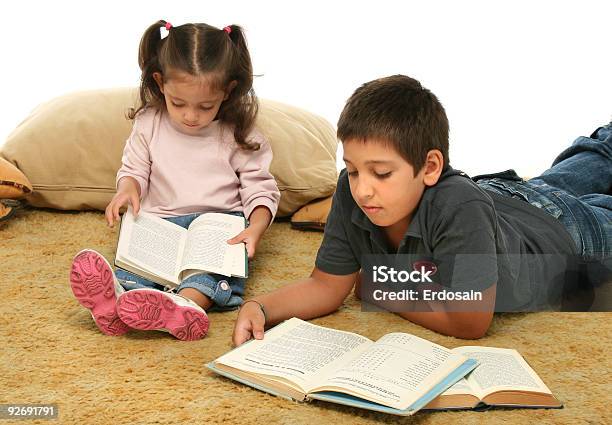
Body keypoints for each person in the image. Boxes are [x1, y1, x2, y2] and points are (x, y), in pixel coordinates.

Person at [232, 74, 611, 345]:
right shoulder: (353, 193)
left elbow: (470, 321)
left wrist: (381, 285)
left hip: (557, 231)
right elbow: (327, 286)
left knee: (585, 173)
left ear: (429, 167)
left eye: (382, 173)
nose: (363, 189)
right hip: (503, 196)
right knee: (589, 160)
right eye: (351, 170)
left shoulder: (458, 205)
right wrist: (261, 307)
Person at [69, 20, 280, 341]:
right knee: (137, 269)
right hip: (159, 223)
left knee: (209, 274)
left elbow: (260, 189)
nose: (191, 116)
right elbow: (134, 169)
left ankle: (184, 305)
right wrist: (127, 190)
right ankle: (118, 299)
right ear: (160, 82)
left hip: (217, 226)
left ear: (228, 90)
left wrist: (256, 226)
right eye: (178, 103)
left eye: (205, 106)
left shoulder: (239, 134)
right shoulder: (148, 123)